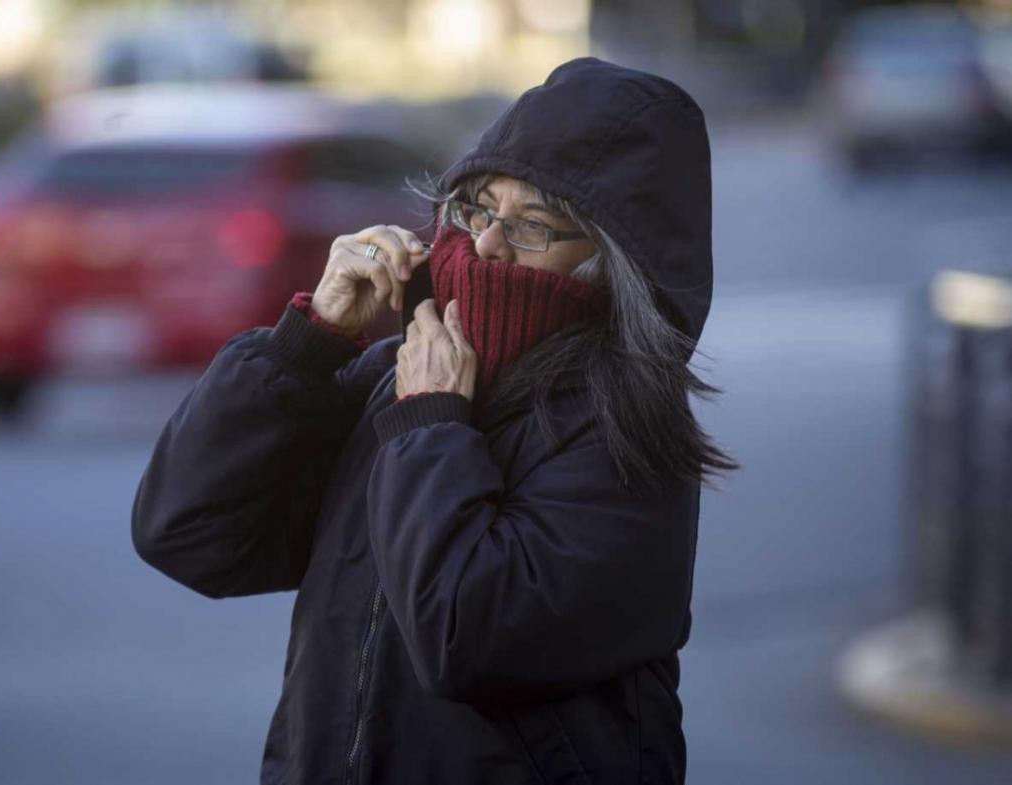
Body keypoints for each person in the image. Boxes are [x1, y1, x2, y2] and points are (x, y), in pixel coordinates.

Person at [131, 57, 737, 785]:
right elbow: (187, 531)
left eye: (533, 225)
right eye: (478, 207)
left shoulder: (627, 433)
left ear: (613, 264)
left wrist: (432, 426)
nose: (485, 244)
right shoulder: (401, 374)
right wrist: (310, 342)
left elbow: (464, 636)